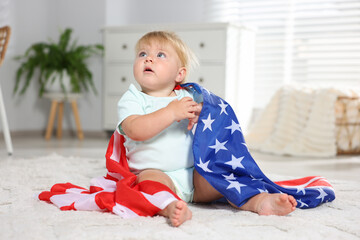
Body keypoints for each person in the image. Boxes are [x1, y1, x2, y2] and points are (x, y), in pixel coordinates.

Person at [117, 31, 297, 227]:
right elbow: (134, 129)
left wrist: (202, 113)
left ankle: (258, 201)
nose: (149, 58)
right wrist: (170, 113)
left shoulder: (187, 96)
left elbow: (214, 117)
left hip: (194, 174)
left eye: (160, 55)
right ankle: (170, 207)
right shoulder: (133, 98)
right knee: (149, 185)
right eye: (142, 54)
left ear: (180, 74)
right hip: (155, 171)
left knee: (224, 176)